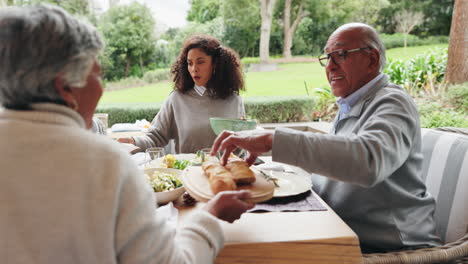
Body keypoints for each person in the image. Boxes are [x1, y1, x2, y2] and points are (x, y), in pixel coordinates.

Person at [0, 5, 254, 263]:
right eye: (97, 76)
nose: (101, 90)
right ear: (65, 86)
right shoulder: (107, 165)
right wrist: (210, 215)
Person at [211, 23, 442, 253]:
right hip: (339, 229)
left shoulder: (392, 102)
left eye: (340, 55)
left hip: (390, 246)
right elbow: (335, 168)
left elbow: (369, 161)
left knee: (245, 251)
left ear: (372, 60)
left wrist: (273, 141)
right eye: (327, 58)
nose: (330, 66)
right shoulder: (353, 103)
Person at [117, 34, 246, 153]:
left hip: (226, 173)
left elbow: (242, 146)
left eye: (200, 62)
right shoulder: (176, 99)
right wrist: (134, 141)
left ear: (215, 64)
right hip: (188, 173)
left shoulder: (234, 100)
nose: (194, 68)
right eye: (190, 63)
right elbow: (156, 137)